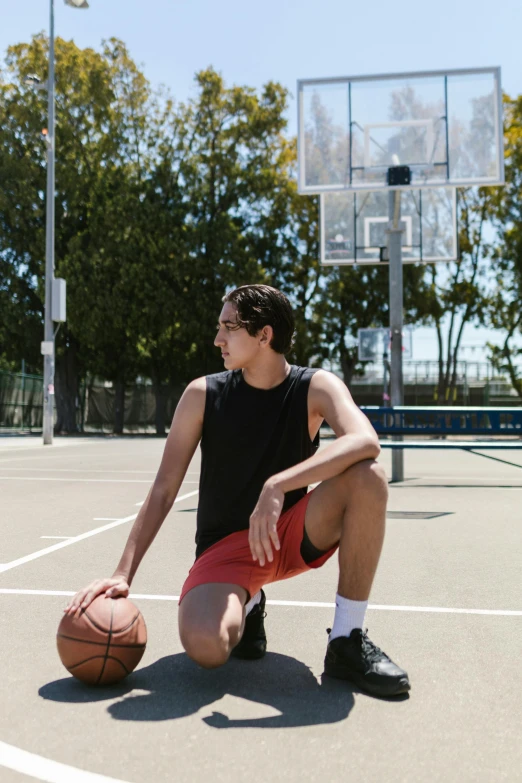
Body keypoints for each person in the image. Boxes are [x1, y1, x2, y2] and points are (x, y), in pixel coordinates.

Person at [65, 284, 410, 697]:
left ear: (265, 335)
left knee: (368, 477)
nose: (217, 339)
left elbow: (365, 441)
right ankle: (248, 603)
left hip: (291, 531)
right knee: (207, 649)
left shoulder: (314, 386)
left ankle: (346, 639)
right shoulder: (203, 394)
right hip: (225, 550)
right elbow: (163, 490)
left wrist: (278, 484)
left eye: (229, 327)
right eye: (219, 327)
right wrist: (123, 573)